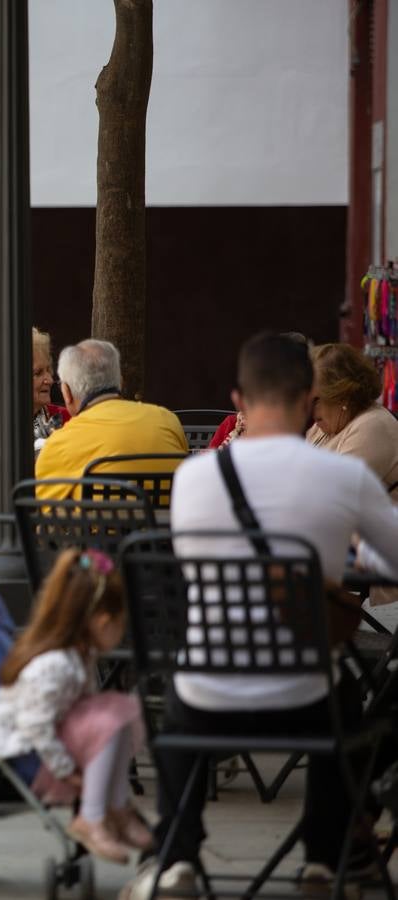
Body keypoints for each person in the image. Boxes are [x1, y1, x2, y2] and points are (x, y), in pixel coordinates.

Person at [121, 333, 398, 899]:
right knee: (358, 699)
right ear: (307, 398)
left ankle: (177, 858)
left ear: (237, 400)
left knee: (182, 698)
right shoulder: (343, 477)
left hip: (206, 694)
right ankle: (326, 856)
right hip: (306, 695)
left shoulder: (194, 478)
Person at [0, 548, 150, 865]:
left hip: (45, 744)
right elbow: (34, 725)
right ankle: (92, 816)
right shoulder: (55, 665)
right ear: (102, 622)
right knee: (112, 718)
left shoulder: (76, 657)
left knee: (118, 709)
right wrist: (66, 769)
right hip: (28, 757)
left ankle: (115, 806)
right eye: (119, 623)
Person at [34, 339, 187, 499]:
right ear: (120, 382)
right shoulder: (168, 420)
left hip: (99, 524)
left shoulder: (60, 444)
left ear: (66, 393)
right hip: (165, 523)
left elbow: (40, 510)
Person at [307, 342, 398, 498]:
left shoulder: (373, 426)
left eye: (315, 400)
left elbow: (332, 494)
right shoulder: (323, 427)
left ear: (342, 395)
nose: (308, 408)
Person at [0, 327, 69, 454]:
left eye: (48, 371)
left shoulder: (63, 417)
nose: (50, 380)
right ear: (10, 381)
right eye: (38, 373)